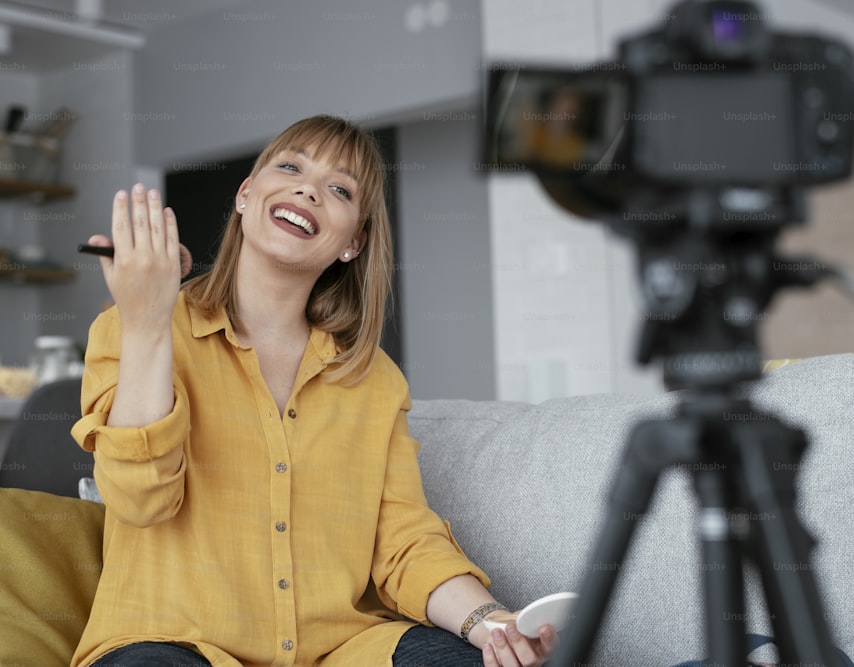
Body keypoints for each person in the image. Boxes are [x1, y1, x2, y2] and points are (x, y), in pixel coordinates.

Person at [70, 115, 557, 667]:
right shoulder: (130, 329)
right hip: (168, 644)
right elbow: (139, 499)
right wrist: (149, 319)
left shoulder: (373, 379)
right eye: (291, 165)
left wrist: (493, 627)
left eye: (340, 188)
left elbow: (404, 543)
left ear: (353, 242)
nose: (309, 188)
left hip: (342, 653)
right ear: (247, 195)